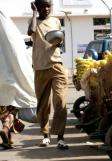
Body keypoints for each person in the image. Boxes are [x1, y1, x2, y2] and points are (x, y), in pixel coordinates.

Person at [27, 0, 69, 149]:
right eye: (42, 6)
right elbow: (30, 32)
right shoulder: (33, 22)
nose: (45, 8)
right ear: (37, 7)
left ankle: (60, 137)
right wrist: (33, 14)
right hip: (40, 68)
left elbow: (60, 41)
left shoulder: (56, 21)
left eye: (48, 6)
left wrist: (58, 42)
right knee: (43, 104)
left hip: (57, 65)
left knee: (61, 101)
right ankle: (45, 135)